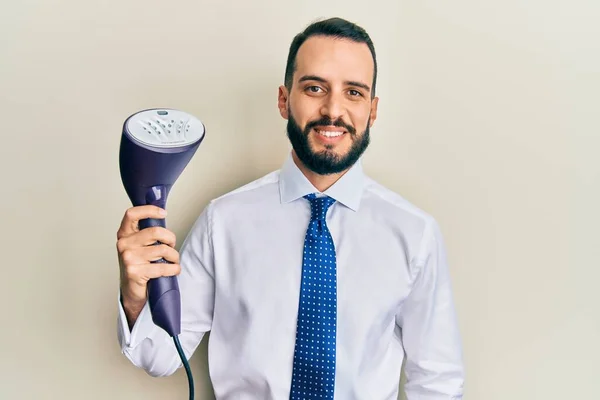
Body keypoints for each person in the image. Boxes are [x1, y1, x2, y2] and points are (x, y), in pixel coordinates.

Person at [116, 17, 465, 400]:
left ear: (372, 110)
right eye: (315, 88)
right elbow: (159, 355)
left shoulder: (414, 234)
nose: (333, 110)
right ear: (284, 100)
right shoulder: (224, 222)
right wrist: (134, 295)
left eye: (353, 92)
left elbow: (438, 382)